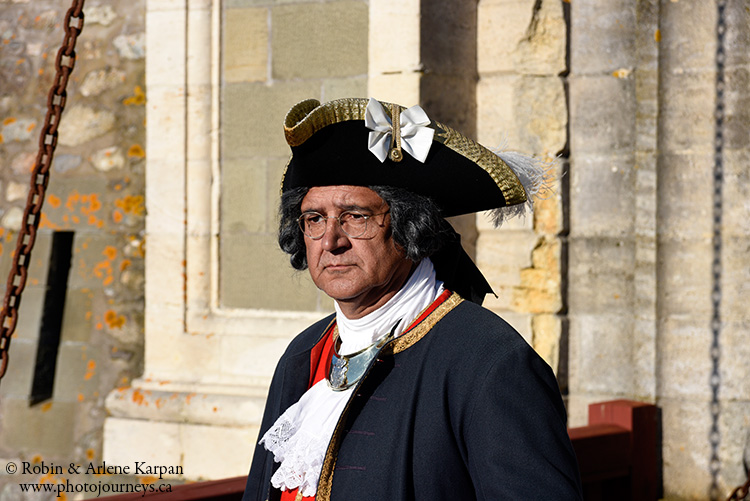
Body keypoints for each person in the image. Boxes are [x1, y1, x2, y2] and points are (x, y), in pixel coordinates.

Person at [242, 97, 583, 501]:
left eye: (355, 216)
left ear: (410, 227)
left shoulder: (490, 363)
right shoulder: (302, 356)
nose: (331, 241)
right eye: (314, 219)